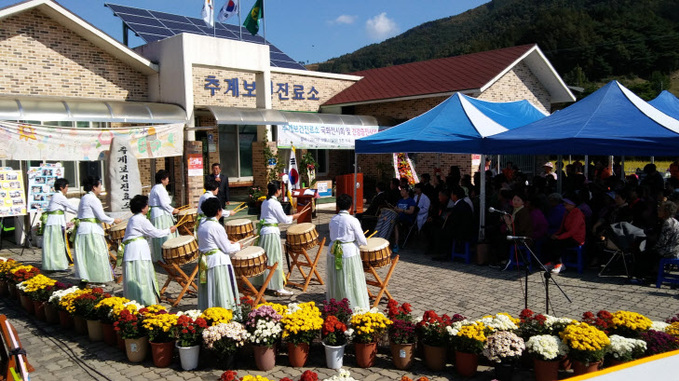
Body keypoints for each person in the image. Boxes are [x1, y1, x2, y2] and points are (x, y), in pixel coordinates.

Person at [122, 195, 177, 306]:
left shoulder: (133, 218)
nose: (148, 207)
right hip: (138, 251)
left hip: (132, 251)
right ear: (143, 208)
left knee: (134, 275)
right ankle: (143, 300)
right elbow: (155, 233)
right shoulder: (141, 220)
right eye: (147, 205)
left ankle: (134, 298)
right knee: (141, 276)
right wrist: (169, 230)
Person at [252, 181, 302, 296]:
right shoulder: (275, 204)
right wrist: (294, 217)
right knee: (275, 259)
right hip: (271, 233)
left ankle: (265, 283)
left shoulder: (265, 201)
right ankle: (278, 287)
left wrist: (291, 217)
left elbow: (276, 217)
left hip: (264, 232)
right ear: (277, 191)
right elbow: (284, 219)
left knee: (266, 259)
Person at [197, 197, 242, 310]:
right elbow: (226, 249)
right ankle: (224, 310)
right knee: (221, 287)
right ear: (218, 211)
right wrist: (238, 246)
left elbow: (212, 241)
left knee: (209, 288)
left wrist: (228, 242)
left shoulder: (202, 225)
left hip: (205, 260)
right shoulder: (217, 226)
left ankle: (208, 308)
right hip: (217, 262)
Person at [74, 176, 121, 283]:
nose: (101, 188)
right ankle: (97, 277)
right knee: (96, 254)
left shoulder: (85, 197)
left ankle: (87, 276)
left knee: (87, 255)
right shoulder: (93, 199)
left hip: (84, 229)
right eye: (100, 185)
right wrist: (114, 220)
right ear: (94, 187)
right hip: (91, 230)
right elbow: (102, 217)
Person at [326, 194, 370, 309]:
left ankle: (337, 300)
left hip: (334, 250)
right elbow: (362, 240)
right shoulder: (352, 220)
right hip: (348, 252)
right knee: (349, 277)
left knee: (337, 277)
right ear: (350, 206)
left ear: (337, 206)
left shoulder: (333, 219)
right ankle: (352, 303)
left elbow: (332, 234)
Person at [41, 178, 77, 271]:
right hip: (55, 223)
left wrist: (79, 213)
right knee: (57, 245)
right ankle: (58, 265)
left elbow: (66, 208)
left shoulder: (57, 196)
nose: (67, 189)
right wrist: (84, 211)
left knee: (57, 244)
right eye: (67, 187)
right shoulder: (59, 196)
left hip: (56, 222)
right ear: (61, 188)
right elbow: (70, 206)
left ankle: (56, 264)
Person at [543, 198, 586, 274]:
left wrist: (559, 237)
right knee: (549, 240)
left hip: (576, 238)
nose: (564, 204)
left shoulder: (577, 214)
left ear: (573, 205)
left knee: (558, 243)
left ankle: (559, 264)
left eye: (567, 203)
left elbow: (573, 231)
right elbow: (562, 227)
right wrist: (556, 235)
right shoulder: (567, 212)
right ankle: (551, 262)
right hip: (567, 235)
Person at [148, 170, 179, 262]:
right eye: (167, 178)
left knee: (159, 234)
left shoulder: (155, 187)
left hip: (158, 213)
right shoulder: (160, 188)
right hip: (161, 214)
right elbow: (164, 204)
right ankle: (165, 256)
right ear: (162, 179)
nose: (168, 180)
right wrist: (173, 210)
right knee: (164, 234)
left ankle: (160, 256)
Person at [392, 187, 417, 253]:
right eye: (401, 191)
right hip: (398, 217)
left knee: (395, 224)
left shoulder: (411, 201)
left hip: (406, 219)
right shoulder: (400, 200)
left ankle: (396, 244)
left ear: (407, 192)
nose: (401, 192)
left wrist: (402, 210)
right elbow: (396, 208)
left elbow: (411, 211)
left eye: (403, 191)